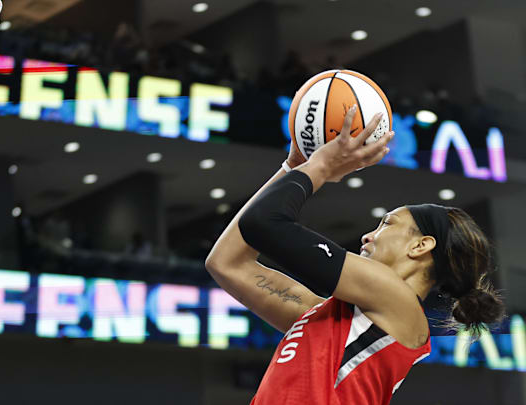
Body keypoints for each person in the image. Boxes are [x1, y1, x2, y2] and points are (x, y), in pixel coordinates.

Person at [205, 105, 505, 404]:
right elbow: (227, 263)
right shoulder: (325, 316)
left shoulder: (395, 297)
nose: (368, 235)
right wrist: (293, 168)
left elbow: (264, 223)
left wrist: (320, 167)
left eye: (386, 224)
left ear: (420, 246)